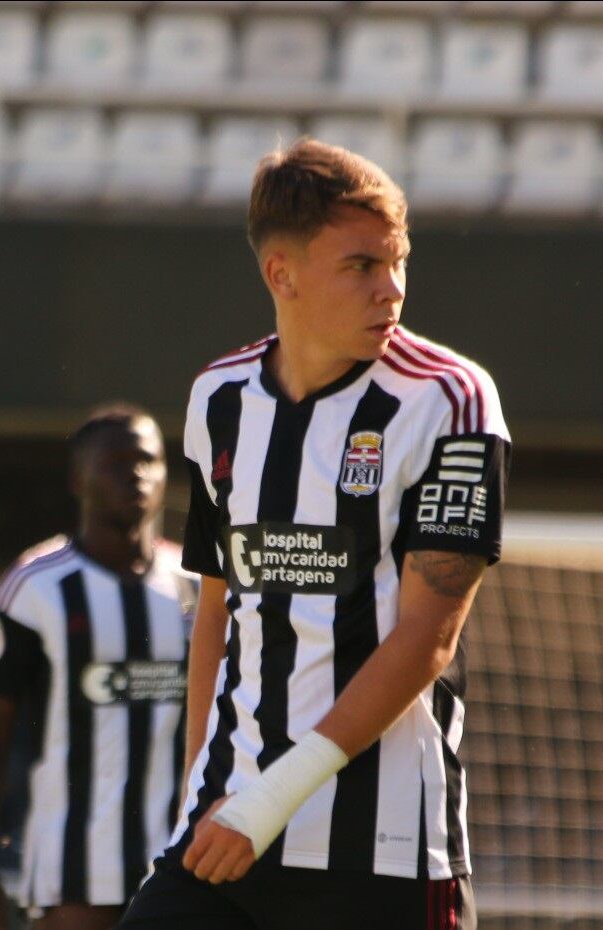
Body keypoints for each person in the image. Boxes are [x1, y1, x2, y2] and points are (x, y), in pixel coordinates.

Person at [119, 140, 510, 930]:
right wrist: (208, 782)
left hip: (385, 851)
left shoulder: (452, 401)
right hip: (229, 829)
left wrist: (270, 801)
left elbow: (429, 637)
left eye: (399, 262)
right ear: (282, 274)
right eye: (362, 266)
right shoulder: (219, 398)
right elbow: (218, 608)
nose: (391, 289)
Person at [0, 404, 194, 930]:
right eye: (114, 461)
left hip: (181, 867)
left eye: (148, 459)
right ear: (77, 478)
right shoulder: (35, 585)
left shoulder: (198, 584)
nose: (134, 473)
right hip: (73, 872)